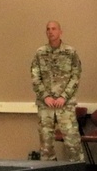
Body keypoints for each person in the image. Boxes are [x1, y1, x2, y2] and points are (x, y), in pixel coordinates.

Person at [30, 21, 83, 162]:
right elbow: (35, 77)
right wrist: (45, 96)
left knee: (73, 143)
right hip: (45, 105)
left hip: (65, 105)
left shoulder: (70, 52)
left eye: (54, 29)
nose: (50, 32)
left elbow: (75, 76)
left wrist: (64, 97)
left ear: (61, 32)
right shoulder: (40, 53)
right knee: (46, 144)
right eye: (48, 29)